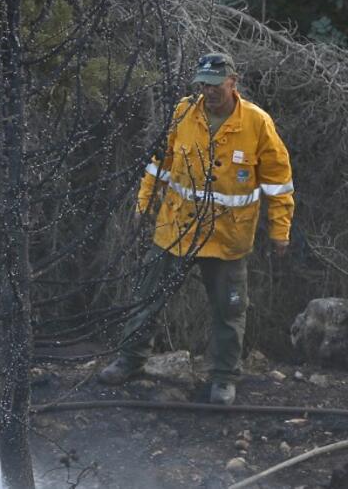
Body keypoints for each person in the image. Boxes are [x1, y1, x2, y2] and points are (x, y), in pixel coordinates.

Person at [99, 53, 295, 405]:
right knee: (148, 296)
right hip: (177, 227)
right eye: (203, 84)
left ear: (232, 82)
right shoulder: (184, 111)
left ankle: (222, 377)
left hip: (228, 237)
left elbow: (279, 183)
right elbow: (161, 162)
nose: (208, 91)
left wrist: (280, 231)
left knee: (229, 309)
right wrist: (145, 204)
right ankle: (130, 359)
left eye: (215, 84)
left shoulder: (257, 123)